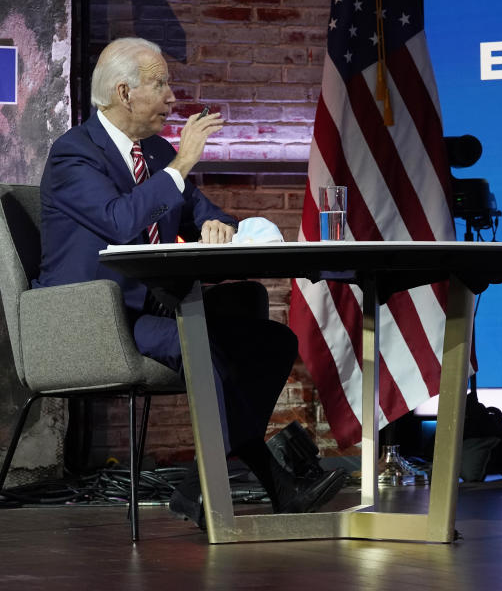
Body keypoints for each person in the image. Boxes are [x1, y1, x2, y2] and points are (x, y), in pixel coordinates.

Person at [35, 37, 346, 528]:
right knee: (210, 348)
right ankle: (255, 480)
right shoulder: (75, 154)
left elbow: (204, 213)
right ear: (123, 92)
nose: (172, 98)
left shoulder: (154, 150)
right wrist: (182, 163)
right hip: (97, 317)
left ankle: (206, 482)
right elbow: (119, 221)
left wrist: (215, 226)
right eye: (161, 85)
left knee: (271, 340)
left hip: (153, 307)